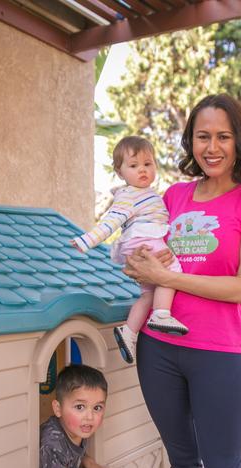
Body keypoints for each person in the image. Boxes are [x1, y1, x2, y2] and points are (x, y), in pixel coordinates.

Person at [123, 94, 241, 468]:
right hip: (160, 350)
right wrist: (134, 261)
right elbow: (144, 251)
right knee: (182, 465)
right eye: (203, 136)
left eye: (223, 137)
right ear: (190, 141)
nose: (212, 147)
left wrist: (169, 279)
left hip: (219, 355)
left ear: (240, 142)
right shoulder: (172, 196)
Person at [72, 136, 188, 364]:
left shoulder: (144, 194)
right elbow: (110, 222)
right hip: (144, 239)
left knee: (148, 293)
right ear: (120, 172)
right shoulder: (130, 196)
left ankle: (129, 332)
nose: (142, 170)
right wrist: (87, 240)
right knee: (171, 271)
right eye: (134, 166)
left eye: (148, 164)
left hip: (138, 243)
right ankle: (162, 314)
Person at [39, 364, 109, 468]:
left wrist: (89, 463)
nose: (90, 416)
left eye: (97, 407)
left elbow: (73, 454)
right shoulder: (53, 442)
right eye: (79, 407)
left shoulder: (77, 428)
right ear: (58, 409)